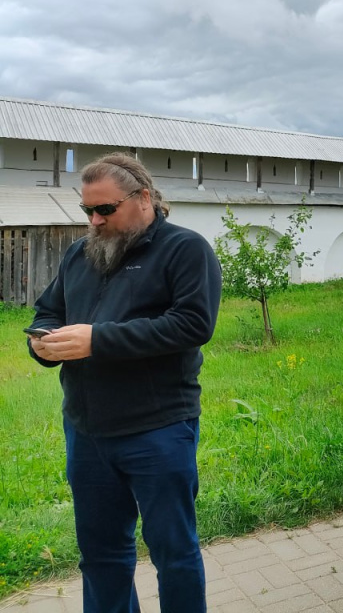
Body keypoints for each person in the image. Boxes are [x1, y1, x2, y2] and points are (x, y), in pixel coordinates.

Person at [26, 153, 222, 613]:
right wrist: (41, 341)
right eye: (87, 211)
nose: (94, 221)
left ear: (144, 199)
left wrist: (98, 340)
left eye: (105, 210)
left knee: (173, 553)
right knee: (101, 555)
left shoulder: (185, 249)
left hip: (157, 429)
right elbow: (48, 310)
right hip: (86, 429)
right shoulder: (80, 252)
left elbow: (193, 324)